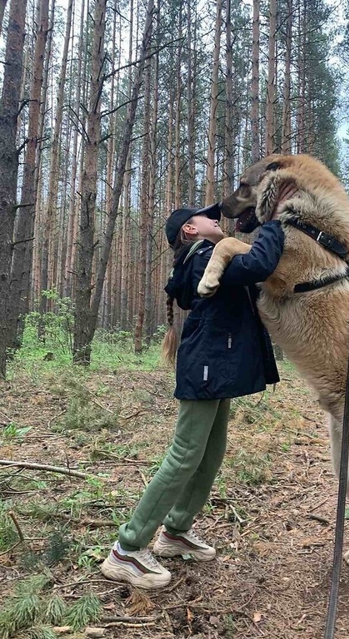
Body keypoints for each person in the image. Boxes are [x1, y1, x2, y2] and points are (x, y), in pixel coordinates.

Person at [100, 203, 285, 589]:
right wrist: (273, 222)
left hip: (217, 366)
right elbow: (259, 265)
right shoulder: (202, 258)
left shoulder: (207, 256)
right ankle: (127, 548)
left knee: (210, 454)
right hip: (206, 366)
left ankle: (176, 531)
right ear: (190, 229)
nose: (216, 218)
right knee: (185, 455)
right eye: (207, 216)